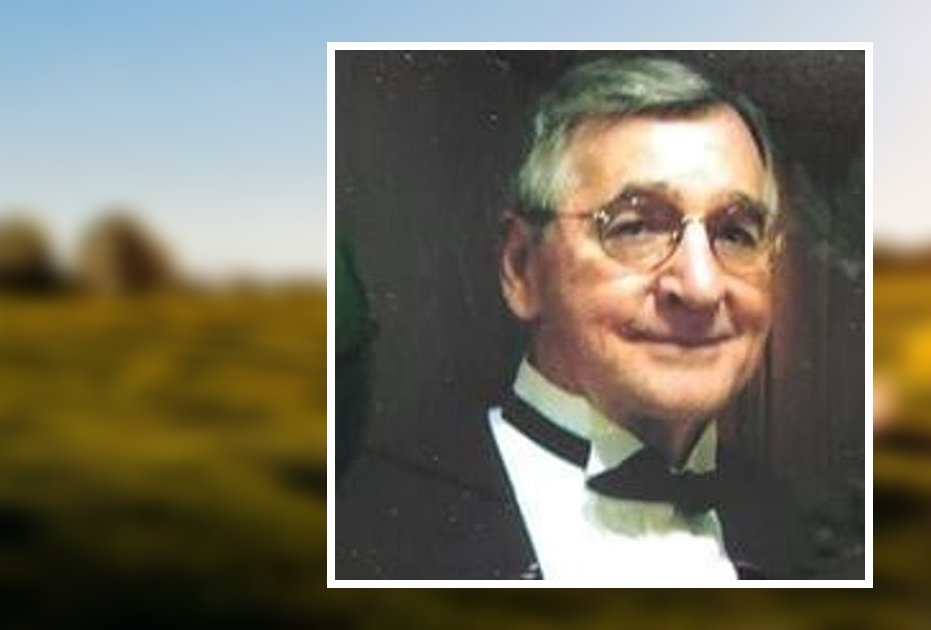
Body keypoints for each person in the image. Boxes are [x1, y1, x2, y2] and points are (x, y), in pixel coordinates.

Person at [336, 56, 858, 581]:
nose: (701, 287)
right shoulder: (363, 532)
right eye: (634, 227)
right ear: (522, 268)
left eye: (735, 233)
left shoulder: (785, 524)